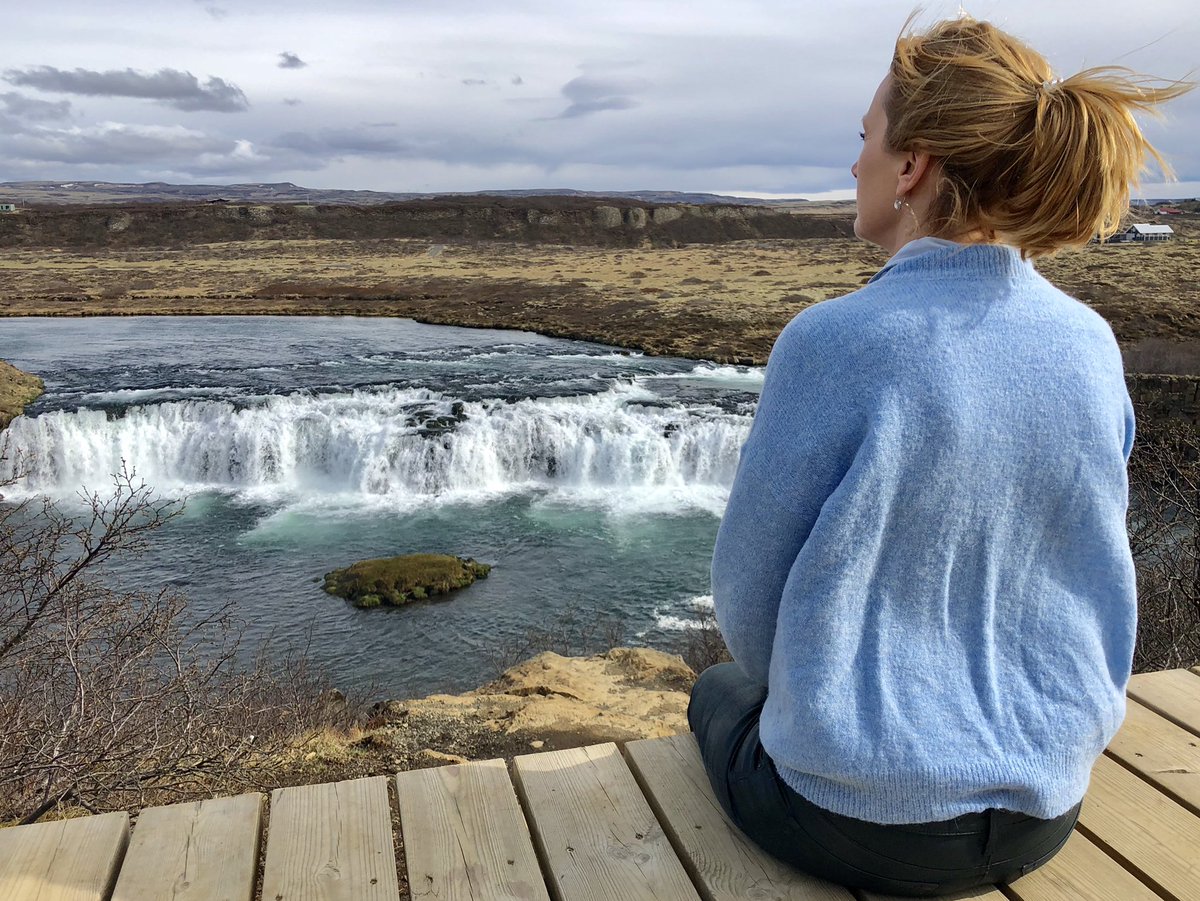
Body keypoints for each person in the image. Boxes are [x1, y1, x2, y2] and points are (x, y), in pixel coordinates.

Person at [689, 14, 1193, 898]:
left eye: (865, 139)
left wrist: (834, 705)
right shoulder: (1090, 343)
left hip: (856, 824)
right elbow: (1094, 572)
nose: (855, 165)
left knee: (719, 686)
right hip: (1047, 808)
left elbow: (748, 601)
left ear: (914, 163)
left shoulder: (829, 342)